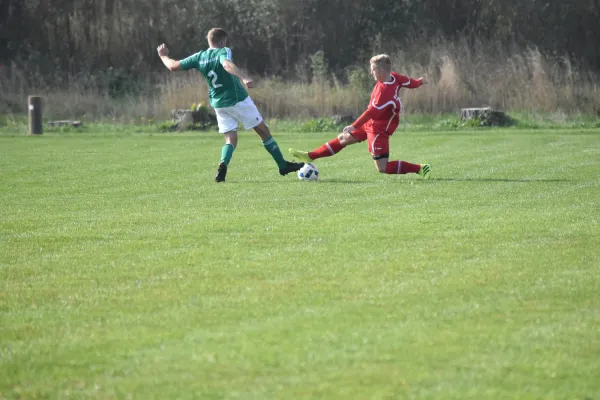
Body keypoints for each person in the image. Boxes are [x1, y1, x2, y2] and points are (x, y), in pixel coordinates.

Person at [157, 28, 304, 182]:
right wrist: (244, 77)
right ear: (222, 41)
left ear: (209, 41)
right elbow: (226, 64)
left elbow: (172, 66)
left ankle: (222, 165)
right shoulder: (223, 51)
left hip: (219, 104)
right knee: (263, 131)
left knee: (230, 139)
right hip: (237, 100)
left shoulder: (199, 57)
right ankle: (282, 165)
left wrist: (163, 55)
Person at [289, 54, 431, 179]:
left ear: (381, 70)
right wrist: (420, 82)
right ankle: (310, 156)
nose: (371, 72)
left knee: (382, 168)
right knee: (343, 138)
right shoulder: (393, 77)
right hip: (372, 122)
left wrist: (354, 125)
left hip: (379, 129)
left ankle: (420, 168)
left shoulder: (384, 92)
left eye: (373, 69)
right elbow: (409, 82)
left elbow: (370, 112)